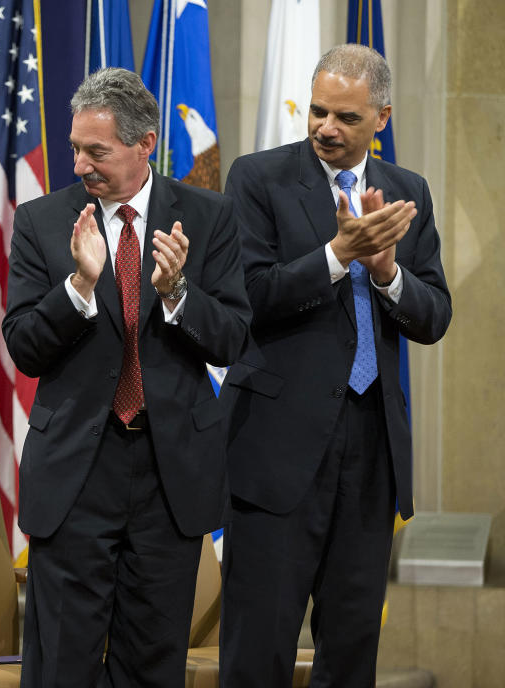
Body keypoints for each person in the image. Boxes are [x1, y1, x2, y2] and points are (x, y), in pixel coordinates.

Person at [2, 67, 251, 687]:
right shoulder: (41, 221)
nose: (82, 164)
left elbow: (233, 338)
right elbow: (25, 348)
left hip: (170, 477)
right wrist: (79, 286)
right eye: (76, 150)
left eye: (98, 151)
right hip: (76, 472)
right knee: (62, 662)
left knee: (152, 663)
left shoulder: (209, 215)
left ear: (144, 144)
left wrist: (179, 294)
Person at [219, 44, 452, 687]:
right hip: (276, 448)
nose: (326, 127)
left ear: (382, 116)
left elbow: (433, 317)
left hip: (371, 446)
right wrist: (336, 253)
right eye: (318, 111)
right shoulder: (257, 178)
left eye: (346, 117)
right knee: (259, 647)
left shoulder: (409, 193)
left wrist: (387, 273)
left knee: (351, 649)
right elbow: (248, 296)